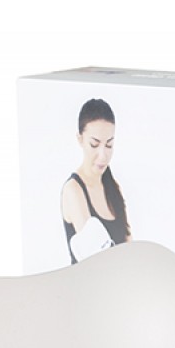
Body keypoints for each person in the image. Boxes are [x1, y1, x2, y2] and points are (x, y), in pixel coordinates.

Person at [61, 98, 131, 264]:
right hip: (90, 281)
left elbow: (130, 248)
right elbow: (95, 257)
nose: (103, 155)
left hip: (120, 279)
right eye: (94, 144)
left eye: (109, 145)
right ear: (80, 139)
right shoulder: (73, 190)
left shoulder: (114, 187)